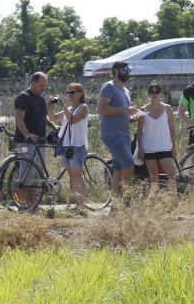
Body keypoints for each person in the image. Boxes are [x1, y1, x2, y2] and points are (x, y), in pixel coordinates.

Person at [13, 72, 57, 209]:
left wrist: (54, 126)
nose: (43, 88)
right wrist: (27, 134)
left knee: (36, 175)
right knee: (25, 174)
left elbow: (44, 117)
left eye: (45, 86)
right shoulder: (23, 97)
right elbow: (19, 119)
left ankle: (33, 205)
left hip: (40, 141)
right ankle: (23, 205)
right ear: (32, 82)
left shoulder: (41, 98)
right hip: (24, 141)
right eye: (41, 85)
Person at [98, 61, 140, 197]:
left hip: (124, 134)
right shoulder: (109, 86)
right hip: (112, 134)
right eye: (124, 68)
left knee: (118, 169)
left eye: (129, 68)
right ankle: (125, 199)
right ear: (115, 70)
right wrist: (124, 110)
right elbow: (102, 109)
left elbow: (122, 113)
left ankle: (116, 204)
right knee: (128, 164)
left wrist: (131, 117)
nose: (127, 71)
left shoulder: (126, 90)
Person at [134, 82, 178, 193]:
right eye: (152, 92)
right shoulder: (143, 110)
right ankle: (154, 202)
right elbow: (139, 132)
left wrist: (174, 147)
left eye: (157, 91)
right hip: (149, 148)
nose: (154, 94)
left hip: (165, 147)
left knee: (172, 175)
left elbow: (172, 129)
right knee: (154, 178)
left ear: (160, 93)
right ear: (149, 94)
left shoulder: (167, 108)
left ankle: (174, 200)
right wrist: (141, 149)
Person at [49, 82, 90, 204]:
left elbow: (73, 119)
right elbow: (52, 118)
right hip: (66, 145)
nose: (69, 95)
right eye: (68, 92)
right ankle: (76, 201)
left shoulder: (83, 107)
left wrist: (63, 106)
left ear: (80, 93)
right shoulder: (70, 109)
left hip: (77, 145)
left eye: (72, 92)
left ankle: (81, 203)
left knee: (77, 175)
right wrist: (50, 105)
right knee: (72, 176)